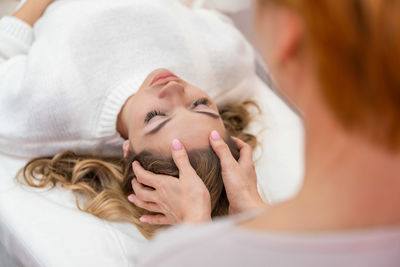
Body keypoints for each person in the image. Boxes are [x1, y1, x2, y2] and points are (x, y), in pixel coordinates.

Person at [132, 0, 400, 265]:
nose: (173, 89)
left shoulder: (180, 257)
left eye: (200, 104)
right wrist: (251, 207)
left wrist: (193, 234)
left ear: (288, 32)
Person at [0, 0, 259, 238]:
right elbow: (212, 17)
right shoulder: (223, 69)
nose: (173, 88)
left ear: (128, 151)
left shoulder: (51, 107)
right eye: (201, 104)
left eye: (156, 117)